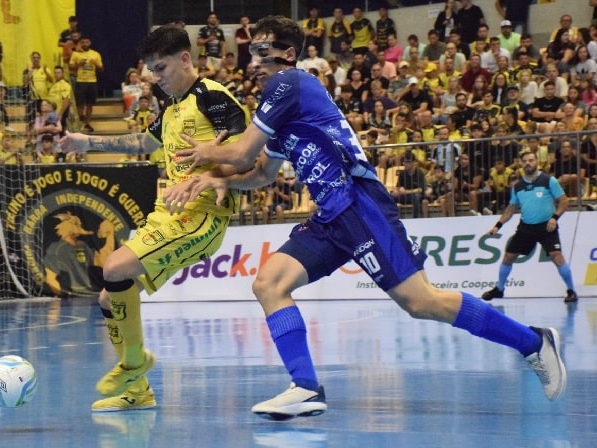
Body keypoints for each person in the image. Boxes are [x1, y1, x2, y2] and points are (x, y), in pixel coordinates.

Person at [165, 15, 566, 420]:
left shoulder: (290, 83)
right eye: (250, 51)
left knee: (422, 302)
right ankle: (305, 387)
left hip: (358, 203)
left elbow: (240, 155)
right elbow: (261, 173)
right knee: (269, 283)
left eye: (262, 50)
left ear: (288, 54)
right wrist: (224, 183)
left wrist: (207, 157)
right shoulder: (280, 113)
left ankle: (533, 343)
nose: (253, 59)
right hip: (329, 216)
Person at [59, 25, 250, 412]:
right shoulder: (171, 108)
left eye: (161, 68)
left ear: (185, 59)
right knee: (109, 297)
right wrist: (88, 142)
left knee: (114, 267)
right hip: (169, 213)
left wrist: (213, 169)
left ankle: (134, 361)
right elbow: (143, 144)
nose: (155, 77)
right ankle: (138, 391)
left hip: (203, 217)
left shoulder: (212, 97)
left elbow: (248, 150)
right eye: (151, 70)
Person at [482, 150, 578, 304]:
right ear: (521, 164)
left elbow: (564, 201)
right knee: (508, 257)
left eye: (531, 160)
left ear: (537, 162)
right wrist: (498, 225)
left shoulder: (549, 180)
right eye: (525, 161)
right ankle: (499, 289)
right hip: (526, 228)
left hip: (547, 227)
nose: (528, 163)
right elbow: (511, 208)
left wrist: (555, 218)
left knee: (556, 256)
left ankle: (571, 290)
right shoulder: (518, 186)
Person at [68, 36, 103, 133]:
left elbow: (101, 69)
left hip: (92, 81)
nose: (85, 44)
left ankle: (87, 123)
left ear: (90, 42)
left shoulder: (95, 54)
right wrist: (79, 64)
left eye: (87, 42)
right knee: (80, 104)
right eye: (83, 42)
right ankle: (80, 122)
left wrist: (95, 63)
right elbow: (70, 66)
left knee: (89, 104)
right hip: (80, 81)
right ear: (80, 43)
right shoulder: (76, 54)